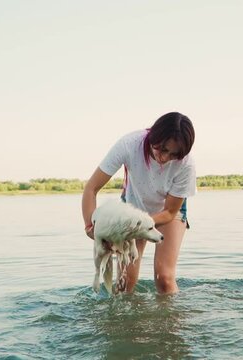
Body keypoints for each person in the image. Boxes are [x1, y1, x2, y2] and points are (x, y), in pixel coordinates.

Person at [82, 112, 196, 294]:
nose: (165, 158)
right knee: (124, 283)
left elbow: (169, 212)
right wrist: (90, 227)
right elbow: (91, 188)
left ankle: (171, 322)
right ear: (153, 136)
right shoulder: (130, 144)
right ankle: (124, 322)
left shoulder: (186, 164)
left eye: (174, 154)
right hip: (132, 210)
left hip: (168, 214)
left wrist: (143, 225)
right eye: (162, 149)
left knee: (164, 278)